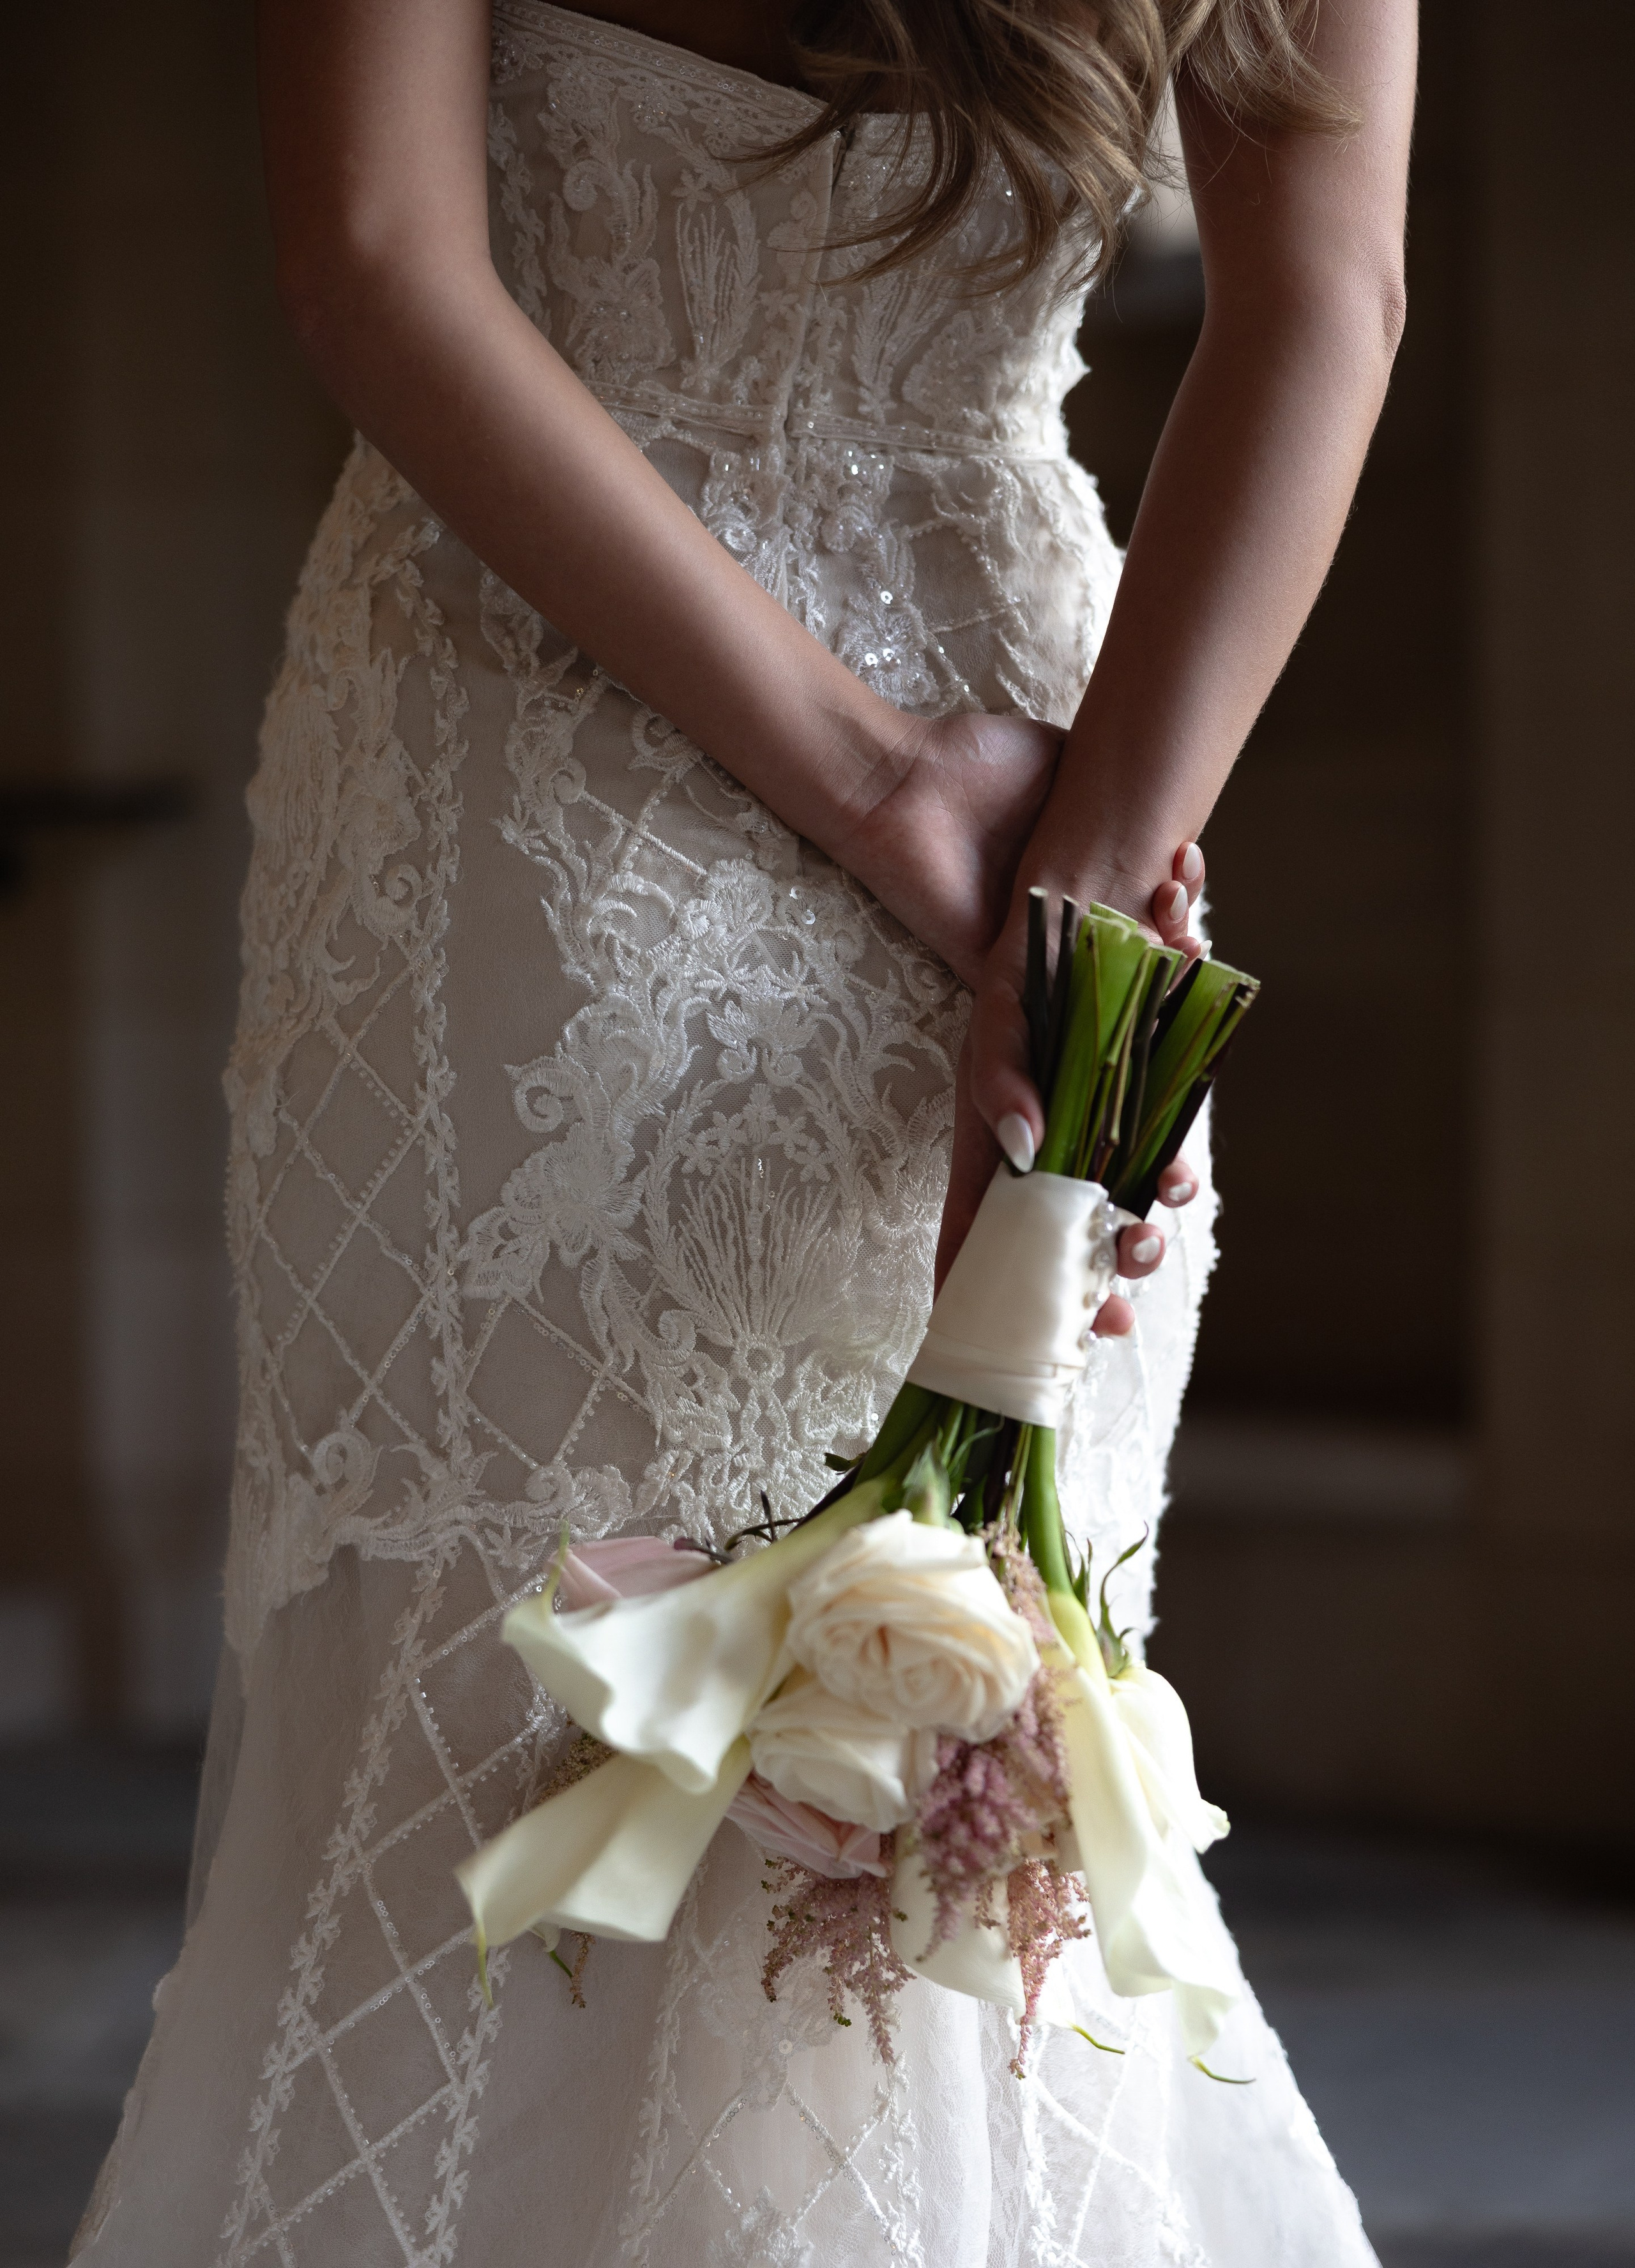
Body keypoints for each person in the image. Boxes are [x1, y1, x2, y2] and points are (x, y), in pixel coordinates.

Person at [74, 1, 1413, 2260]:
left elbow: (383, 256)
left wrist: (923, 809)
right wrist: (1075, 891)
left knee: (591, 1709)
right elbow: (1324, 295)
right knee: (926, 1706)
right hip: (1049, 767)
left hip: (552, 728)